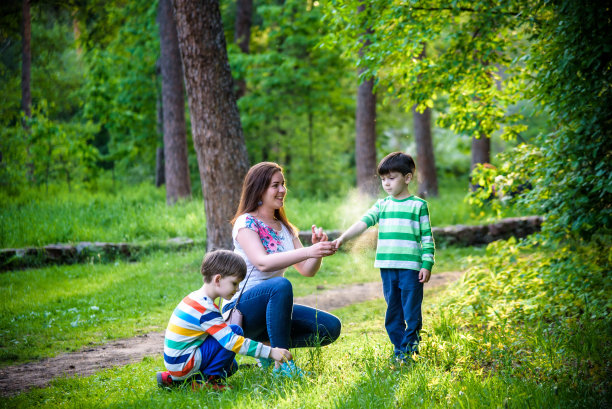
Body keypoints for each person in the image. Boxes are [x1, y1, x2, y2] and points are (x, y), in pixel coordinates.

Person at [222, 161, 342, 377]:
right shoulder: (246, 222)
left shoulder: (285, 228)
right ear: (259, 189)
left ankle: (266, 351)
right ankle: (282, 365)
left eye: (283, 184)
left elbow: (307, 269)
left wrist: (317, 252)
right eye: (275, 185)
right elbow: (262, 262)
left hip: (273, 306)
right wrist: (309, 251)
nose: (282, 190)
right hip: (242, 309)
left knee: (330, 328)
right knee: (280, 285)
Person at [332, 152, 435, 362]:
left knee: (411, 312)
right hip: (388, 268)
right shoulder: (382, 205)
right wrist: (342, 239)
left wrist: (427, 263)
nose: (386, 183)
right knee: (393, 312)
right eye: (383, 179)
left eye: (392, 178)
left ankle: (410, 350)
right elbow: (363, 223)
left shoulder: (418, 205)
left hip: (411, 269)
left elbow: (427, 238)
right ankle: (400, 351)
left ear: (407, 178)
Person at [156, 250, 292, 391]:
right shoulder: (206, 309)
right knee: (235, 332)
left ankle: (174, 380)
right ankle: (205, 381)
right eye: (234, 283)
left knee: (231, 367)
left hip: (177, 363)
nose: (237, 289)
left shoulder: (195, 298)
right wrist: (270, 352)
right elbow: (232, 342)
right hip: (183, 363)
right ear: (218, 280)